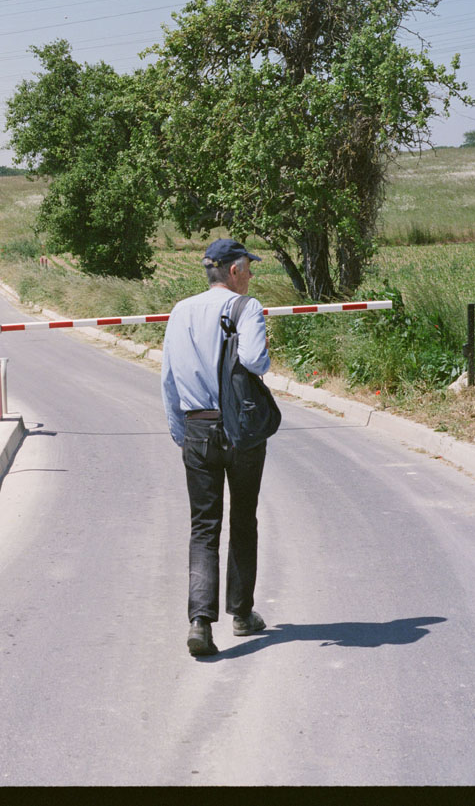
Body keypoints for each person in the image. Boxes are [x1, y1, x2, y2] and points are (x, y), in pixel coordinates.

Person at [160, 238, 272, 657]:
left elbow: (168, 378)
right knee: (243, 518)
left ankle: (200, 624)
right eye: (249, 267)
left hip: (197, 429)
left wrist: (179, 431)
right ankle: (242, 614)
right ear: (234, 270)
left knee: (204, 526)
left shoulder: (179, 311)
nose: (251, 275)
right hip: (240, 431)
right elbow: (256, 360)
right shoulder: (248, 307)